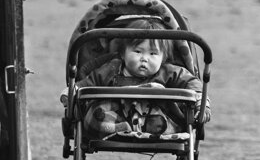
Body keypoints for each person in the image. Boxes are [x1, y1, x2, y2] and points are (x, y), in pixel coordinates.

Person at [60, 18, 211, 136]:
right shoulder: (112, 68)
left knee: (169, 115)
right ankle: (119, 128)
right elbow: (87, 83)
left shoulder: (169, 72)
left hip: (153, 118)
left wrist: (201, 103)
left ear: (164, 57)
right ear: (123, 53)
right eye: (138, 51)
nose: (144, 58)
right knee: (96, 113)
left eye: (153, 54)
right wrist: (72, 92)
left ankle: (151, 127)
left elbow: (193, 83)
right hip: (116, 117)